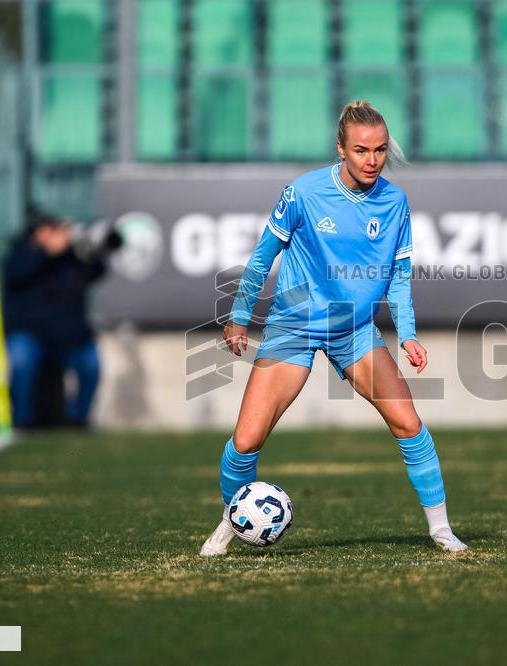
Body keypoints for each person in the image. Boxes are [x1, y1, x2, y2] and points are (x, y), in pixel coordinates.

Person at [200, 101, 467, 556]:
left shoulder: (395, 203)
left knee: (407, 422)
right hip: (294, 325)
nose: (372, 160)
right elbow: (263, 257)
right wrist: (240, 315)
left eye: (380, 150)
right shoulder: (303, 193)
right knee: (246, 440)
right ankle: (232, 521)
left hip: (354, 330)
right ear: (341, 149)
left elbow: (399, 276)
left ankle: (441, 530)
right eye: (361, 150)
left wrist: (407, 333)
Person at [3, 208, 105, 428]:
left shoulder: (72, 258)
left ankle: (77, 419)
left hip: (69, 338)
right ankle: (21, 419)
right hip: (31, 335)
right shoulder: (22, 252)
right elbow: (15, 274)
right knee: (21, 360)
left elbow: (98, 272)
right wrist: (46, 253)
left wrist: (91, 249)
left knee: (91, 363)